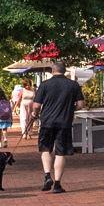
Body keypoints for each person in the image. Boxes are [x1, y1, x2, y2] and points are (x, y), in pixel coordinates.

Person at [33, 60, 83, 193]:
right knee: (60, 153)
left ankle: (47, 175)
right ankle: (57, 184)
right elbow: (80, 104)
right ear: (64, 71)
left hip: (47, 122)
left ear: (52, 71)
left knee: (45, 149)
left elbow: (36, 105)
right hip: (64, 122)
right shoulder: (73, 85)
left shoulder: (44, 85)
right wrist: (70, 109)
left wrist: (34, 114)